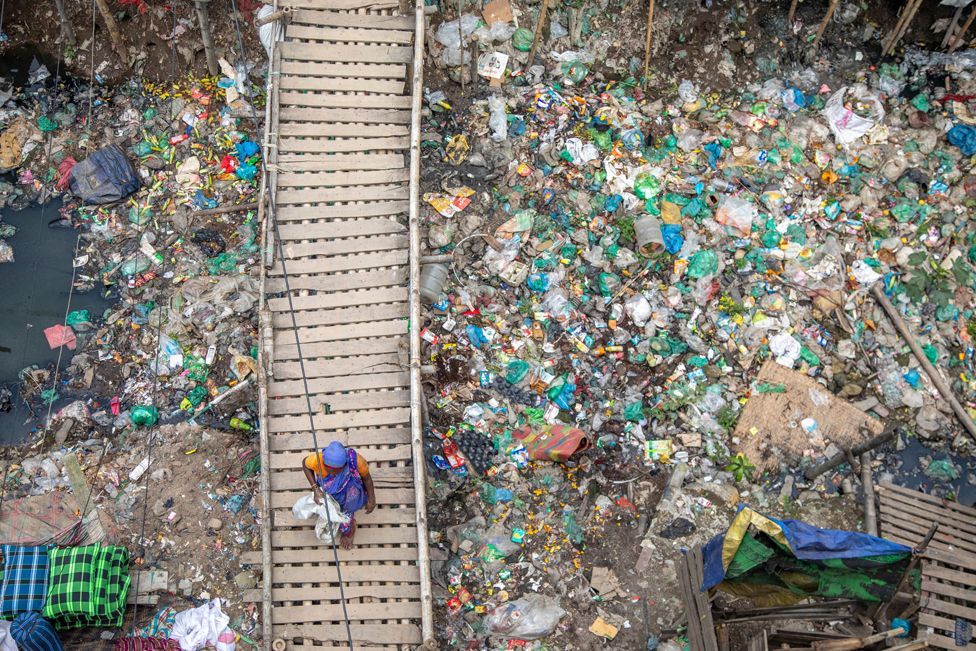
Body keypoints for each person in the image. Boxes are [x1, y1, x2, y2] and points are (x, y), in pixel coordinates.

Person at [302, 441, 376, 549]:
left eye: (337, 471)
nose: (333, 474)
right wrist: (315, 488)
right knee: (328, 511)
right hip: (327, 491)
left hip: (349, 489)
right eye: (329, 470)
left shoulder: (355, 460)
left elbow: (367, 479)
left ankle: (350, 531)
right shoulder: (317, 459)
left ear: (345, 464)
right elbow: (305, 464)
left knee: (346, 517)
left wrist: (372, 500)